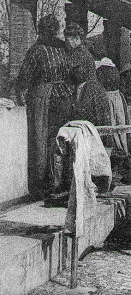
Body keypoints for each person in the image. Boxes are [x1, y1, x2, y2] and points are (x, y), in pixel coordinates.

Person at [15, 14, 74, 197]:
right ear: (56, 29)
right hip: (65, 96)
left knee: (41, 139)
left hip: (44, 98)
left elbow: (24, 76)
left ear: (40, 29)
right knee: (61, 139)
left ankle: (44, 184)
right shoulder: (64, 48)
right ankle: (63, 181)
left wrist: (18, 90)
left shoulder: (38, 49)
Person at [65, 22, 112, 127]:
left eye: (68, 40)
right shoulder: (85, 51)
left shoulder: (77, 53)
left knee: (84, 122)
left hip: (86, 91)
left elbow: (76, 75)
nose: (67, 44)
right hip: (96, 89)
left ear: (77, 38)